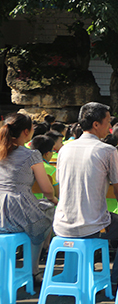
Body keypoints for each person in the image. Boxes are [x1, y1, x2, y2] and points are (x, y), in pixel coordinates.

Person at [53, 102, 118, 284]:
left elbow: (60, 182)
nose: (110, 128)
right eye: (108, 122)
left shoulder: (64, 149)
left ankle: (73, 278)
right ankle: (117, 282)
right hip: (92, 224)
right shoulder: (107, 150)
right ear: (96, 124)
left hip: (61, 223)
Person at [0, 113, 58, 277]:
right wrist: (53, 200)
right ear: (26, 132)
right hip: (17, 208)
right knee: (45, 217)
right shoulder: (31, 155)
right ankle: (33, 269)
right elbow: (47, 189)